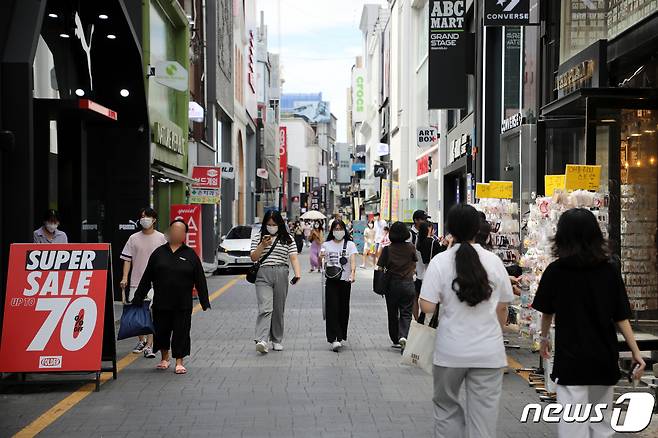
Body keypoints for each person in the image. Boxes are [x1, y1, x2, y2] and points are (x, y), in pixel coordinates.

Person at [532, 208, 645, 438]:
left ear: (562, 236)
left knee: (573, 426)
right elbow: (621, 316)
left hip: (571, 360)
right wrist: (636, 352)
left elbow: (546, 312)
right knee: (601, 426)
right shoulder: (609, 271)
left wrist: (544, 339)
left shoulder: (556, 271)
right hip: (603, 358)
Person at [419, 204, 514, 438]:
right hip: (488, 352)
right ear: (477, 229)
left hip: (450, 350)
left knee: (446, 408)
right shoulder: (493, 261)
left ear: (450, 229)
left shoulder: (441, 262)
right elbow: (503, 307)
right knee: (483, 418)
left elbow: (427, 306)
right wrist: (495, 332)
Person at [132, 220, 210, 374]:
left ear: (184, 235)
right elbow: (147, 277)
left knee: (181, 332)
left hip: (183, 303)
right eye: (173, 229)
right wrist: (138, 297)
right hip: (161, 302)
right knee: (162, 331)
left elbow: (200, 278)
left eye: (179, 230)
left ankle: (179, 361)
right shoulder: (159, 253)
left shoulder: (190, 254)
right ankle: (164, 358)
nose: (175, 233)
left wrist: (204, 300)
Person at [250, 210, 302, 354]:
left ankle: (277, 339)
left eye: (274, 224)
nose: (271, 227)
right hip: (263, 275)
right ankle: (262, 340)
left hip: (281, 273)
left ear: (280, 224)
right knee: (265, 308)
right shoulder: (257, 237)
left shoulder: (287, 238)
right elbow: (253, 257)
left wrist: (297, 274)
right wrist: (262, 245)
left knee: (278, 309)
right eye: (268, 224)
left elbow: (294, 257)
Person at [120, 207, 167, 358]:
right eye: (142, 216)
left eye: (147, 216)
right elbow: (127, 259)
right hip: (136, 281)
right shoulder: (133, 238)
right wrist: (125, 278)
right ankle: (141, 340)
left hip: (155, 282)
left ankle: (149, 345)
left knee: (151, 313)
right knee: (137, 311)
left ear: (154, 220)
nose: (144, 219)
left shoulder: (161, 238)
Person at [377, 222, 417, 349]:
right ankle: (403, 335)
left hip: (392, 285)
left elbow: (380, 267)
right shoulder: (410, 247)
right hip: (408, 283)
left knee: (392, 312)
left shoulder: (387, 249)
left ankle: (395, 339)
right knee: (406, 312)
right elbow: (414, 262)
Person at [320, 220, 358, 352]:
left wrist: (353, 273)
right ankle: (334, 338)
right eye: (335, 228)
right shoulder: (326, 244)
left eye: (340, 228)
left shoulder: (350, 244)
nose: (338, 231)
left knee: (343, 309)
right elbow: (322, 260)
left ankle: (340, 335)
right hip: (331, 280)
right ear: (331, 230)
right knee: (332, 308)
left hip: (345, 280)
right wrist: (322, 257)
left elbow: (353, 260)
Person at [414, 221, 445, 323]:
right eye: (432, 228)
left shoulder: (419, 242)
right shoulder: (432, 242)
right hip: (431, 276)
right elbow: (440, 256)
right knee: (434, 304)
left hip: (420, 276)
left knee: (421, 302)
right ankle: (432, 322)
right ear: (428, 229)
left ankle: (420, 320)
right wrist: (444, 245)